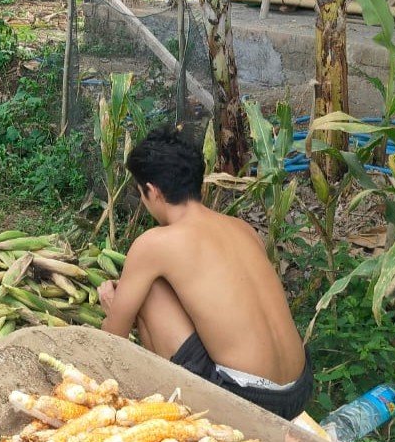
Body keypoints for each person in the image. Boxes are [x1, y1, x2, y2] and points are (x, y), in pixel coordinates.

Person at [96, 127, 313, 419]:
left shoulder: (154, 244)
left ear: (152, 191)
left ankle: (171, 409)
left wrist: (115, 307)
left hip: (248, 401)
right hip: (298, 390)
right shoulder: (242, 228)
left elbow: (113, 339)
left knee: (148, 292)